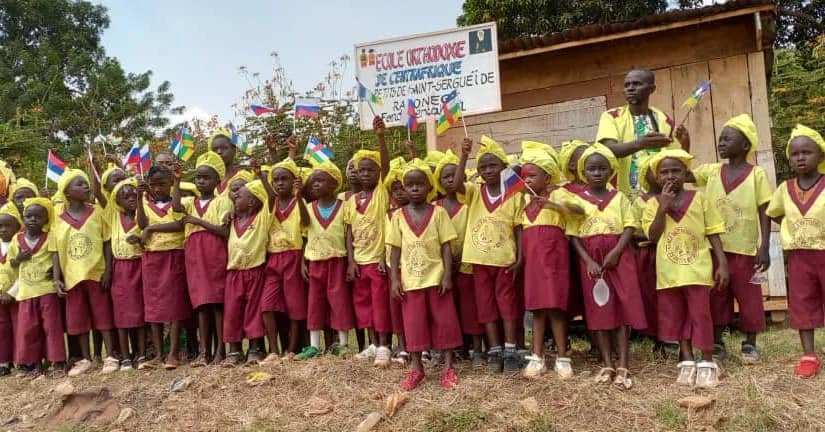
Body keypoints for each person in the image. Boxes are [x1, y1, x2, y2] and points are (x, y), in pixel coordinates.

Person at [642, 149, 729, 388]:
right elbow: (653, 234)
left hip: (697, 270)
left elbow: (713, 232)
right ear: (657, 177)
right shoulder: (652, 204)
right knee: (678, 317)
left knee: (701, 315)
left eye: (676, 171)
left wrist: (722, 263)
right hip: (669, 273)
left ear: (685, 173)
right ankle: (687, 360)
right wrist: (663, 207)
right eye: (664, 172)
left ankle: (707, 361)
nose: (670, 176)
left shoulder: (700, 199)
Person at [690, 114, 772, 364]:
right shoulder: (713, 171)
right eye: (720, 138)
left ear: (746, 145)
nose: (721, 142)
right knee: (716, 295)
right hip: (715, 251)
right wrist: (682, 146)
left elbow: (764, 209)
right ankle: (716, 342)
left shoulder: (756, 174)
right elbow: (685, 175)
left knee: (750, 298)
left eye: (728, 138)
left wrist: (765, 246)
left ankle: (750, 343)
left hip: (746, 251)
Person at [568, 144, 646, 389]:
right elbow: (573, 235)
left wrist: (616, 252)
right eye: (592, 169)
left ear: (611, 170)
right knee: (599, 308)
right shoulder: (577, 201)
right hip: (592, 261)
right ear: (584, 173)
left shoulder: (619, 197)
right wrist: (588, 260)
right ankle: (606, 363)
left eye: (603, 168)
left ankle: (623, 363)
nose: (598, 173)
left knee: (623, 308)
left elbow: (629, 226)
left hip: (618, 257)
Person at [388, 159, 462, 390]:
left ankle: (449, 367)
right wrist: (394, 279)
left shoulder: (439, 213)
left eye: (420, 184)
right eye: (409, 185)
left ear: (429, 187)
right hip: (411, 280)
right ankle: (417, 368)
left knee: (445, 321)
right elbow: (395, 250)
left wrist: (447, 275)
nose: (414, 189)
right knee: (414, 325)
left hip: (436, 277)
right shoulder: (398, 216)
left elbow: (446, 246)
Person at [453, 135, 524, 374]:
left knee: (507, 305)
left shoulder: (514, 194)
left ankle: (511, 349)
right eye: (483, 167)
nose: (487, 170)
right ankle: (494, 350)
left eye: (493, 165)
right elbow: (454, 186)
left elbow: (518, 228)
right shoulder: (474, 192)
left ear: (504, 167)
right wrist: (464, 155)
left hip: (505, 259)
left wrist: (520, 256)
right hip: (479, 261)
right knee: (486, 307)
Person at [765, 124, 825, 378]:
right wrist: (794, 227)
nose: (800, 157)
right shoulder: (784, 189)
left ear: (821, 156)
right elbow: (774, 214)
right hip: (799, 256)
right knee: (803, 303)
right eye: (795, 153)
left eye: (807, 152)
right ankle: (808, 355)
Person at [519, 141, 582, 378]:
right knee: (536, 310)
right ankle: (537, 357)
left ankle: (563, 356)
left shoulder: (559, 193)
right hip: (533, 262)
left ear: (547, 177)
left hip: (555, 261)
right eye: (524, 177)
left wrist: (552, 204)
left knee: (556, 309)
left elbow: (579, 211)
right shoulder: (523, 201)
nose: (527, 181)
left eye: (532, 176)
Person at [50, 169, 118, 376]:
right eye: (79, 184)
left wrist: (107, 269)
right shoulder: (58, 218)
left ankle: (110, 356)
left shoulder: (96, 211)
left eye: (86, 183)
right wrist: (56, 278)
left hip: (96, 273)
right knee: (78, 318)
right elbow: (54, 251)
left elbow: (107, 241)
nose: (85, 186)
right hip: (72, 277)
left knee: (103, 315)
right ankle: (86, 359)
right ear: (67, 193)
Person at [173, 151, 233, 367]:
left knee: (217, 304)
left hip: (214, 253)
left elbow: (224, 232)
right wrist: (177, 180)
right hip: (194, 256)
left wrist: (197, 221)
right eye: (198, 177)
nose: (201, 181)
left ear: (217, 180)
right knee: (201, 305)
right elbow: (176, 207)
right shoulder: (190, 202)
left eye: (206, 177)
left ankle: (220, 350)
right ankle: (203, 351)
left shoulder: (223, 202)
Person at [596, 68, 689, 198]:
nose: (630, 88)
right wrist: (641, 144)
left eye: (637, 84)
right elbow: (606, 150)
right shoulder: (611, 116)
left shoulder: (664, 120)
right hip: (621, 197)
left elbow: (675, 161)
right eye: (627, 85)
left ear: (652, 89)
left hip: (658, 197)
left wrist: (685, 144)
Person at [295, 160, 356, 359]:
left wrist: (350, 261)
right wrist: (303, 261)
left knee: (339, 301)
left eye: (320, 181)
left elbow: (348, 233)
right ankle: (314, 345)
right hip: (315, 261)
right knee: (315, 302)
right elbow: (304, 227)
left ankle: (343, 343)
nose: (315, 185)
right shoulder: (310, 207)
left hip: (337, 259)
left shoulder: (344, 206)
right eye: (313, 182)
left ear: (334, 184)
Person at [347, 117, 392, 367]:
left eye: (369, 170)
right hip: (360, 262)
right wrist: (351, 261)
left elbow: (386, 167)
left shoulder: (380, 194)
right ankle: (373, 344)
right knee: (363, 305)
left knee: (380, 305)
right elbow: (349, 232)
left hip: (377, 261)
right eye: (360, 170)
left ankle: (385, 345)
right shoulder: (351, 202)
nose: (364, 174)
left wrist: (380, 137)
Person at [434, 150, 485, 368]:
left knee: (469, 308)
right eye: (445, 176)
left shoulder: (470, 205)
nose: (450, 180)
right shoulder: (435, 207)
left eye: (455, 175)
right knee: (446, 309)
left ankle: (476, 350)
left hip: (465, 264)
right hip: (441, 267)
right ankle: (452, 349)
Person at [136, 164, 190, 370]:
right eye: (154, 185)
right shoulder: (146, 204)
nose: (158, 189)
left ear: (170, 184)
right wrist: (141, 199)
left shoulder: (180, 202)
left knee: (175, 305)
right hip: (152, 259)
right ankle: (158, 354)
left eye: (162, 184)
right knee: (153, 307)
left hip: (174, 256)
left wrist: (152, 227)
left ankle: (173, 353)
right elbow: (141, 224)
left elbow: (179, 224)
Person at [9, 198, 66, 375]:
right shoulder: (17, 239)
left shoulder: (50, 238)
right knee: (28, 328)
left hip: (46, 290)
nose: (33, 219)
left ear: (46, 220)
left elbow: (56, 259)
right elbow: (12, 262)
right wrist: (19, 259)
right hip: (26, 292)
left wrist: (57, 280)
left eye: (38, 216)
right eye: (28, 216)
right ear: (23, 218)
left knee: (51, 326)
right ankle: (32, 362)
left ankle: (56, 361)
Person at [222, 174, 273, 367]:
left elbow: (271, 199)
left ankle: (255, 349)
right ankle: (234, 350)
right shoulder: (232, 220)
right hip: (234, 273)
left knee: (254, 311)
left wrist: (261, 177)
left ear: (252, 202)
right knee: (233, 312)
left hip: (255, 271)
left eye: (239, 196)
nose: (235, 198)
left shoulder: (260, 218)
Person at [264, 153, 307, 362]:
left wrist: (299, 198)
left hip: (294, 256)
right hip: (273, 258)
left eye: (284, 179)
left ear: (293, 181)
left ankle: (291, 350)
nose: (280, 183)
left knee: (295, 305)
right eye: (276, 180)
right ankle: (273, 350)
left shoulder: (300, 203)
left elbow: (306, 229)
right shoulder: (269, 205)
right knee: (267, 304)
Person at [106, 178, 147, 371]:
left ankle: (141, 354)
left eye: (134, 195)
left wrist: (139, 240)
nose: (131, 198)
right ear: (117, 201)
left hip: (139, 266)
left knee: (139, 313)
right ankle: (125, 356)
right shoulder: (113, 216)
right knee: (121, 315)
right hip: (120, 269)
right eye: (126, 196)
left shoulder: (143, 214)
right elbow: (100, 193)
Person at [0, 202, 22, 376]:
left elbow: (26, 271)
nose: (3, 230)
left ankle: (22, 359)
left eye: (8, 225)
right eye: (0, 226)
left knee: (20, 326)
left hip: (18, 294)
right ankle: (3, 361)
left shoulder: (22, 243)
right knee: (2, 328)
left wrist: (12, 292)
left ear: (18, 225)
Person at [208, 128, 247, 198]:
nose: (219, 152)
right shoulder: (207, 181)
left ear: (234, 150)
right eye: (215, 149)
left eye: (224, 148)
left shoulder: (243, 176)